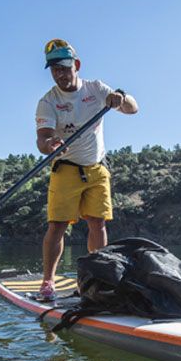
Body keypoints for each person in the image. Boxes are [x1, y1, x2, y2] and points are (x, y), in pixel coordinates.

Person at [35, 39, 138, 301]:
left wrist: (121, 98)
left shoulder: (96, 89)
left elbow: (133, 108)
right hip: (66, 169)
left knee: (97, 223)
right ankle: (48, 283)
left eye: (63, 67)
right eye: (54, 69)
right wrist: (51, 144)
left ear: (76, 65)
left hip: (96, 168)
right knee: (57, 225)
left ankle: (97, 278)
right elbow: (42, 139)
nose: (59, 74)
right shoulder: (48, 102)